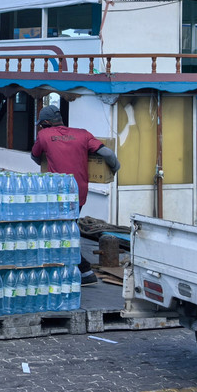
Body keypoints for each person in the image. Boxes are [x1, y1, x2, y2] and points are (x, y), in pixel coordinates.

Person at [30, 104, 120, 286]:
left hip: (59, 192)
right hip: (79, 191)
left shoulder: (44, 135)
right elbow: (107, 153)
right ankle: (73, 269)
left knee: (62, 232)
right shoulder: (83, 134)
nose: (41, 127)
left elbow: (35, 156)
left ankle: (84, 271)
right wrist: (116, 168)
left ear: (46, 123)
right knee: (68, 228)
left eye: (41, 124)